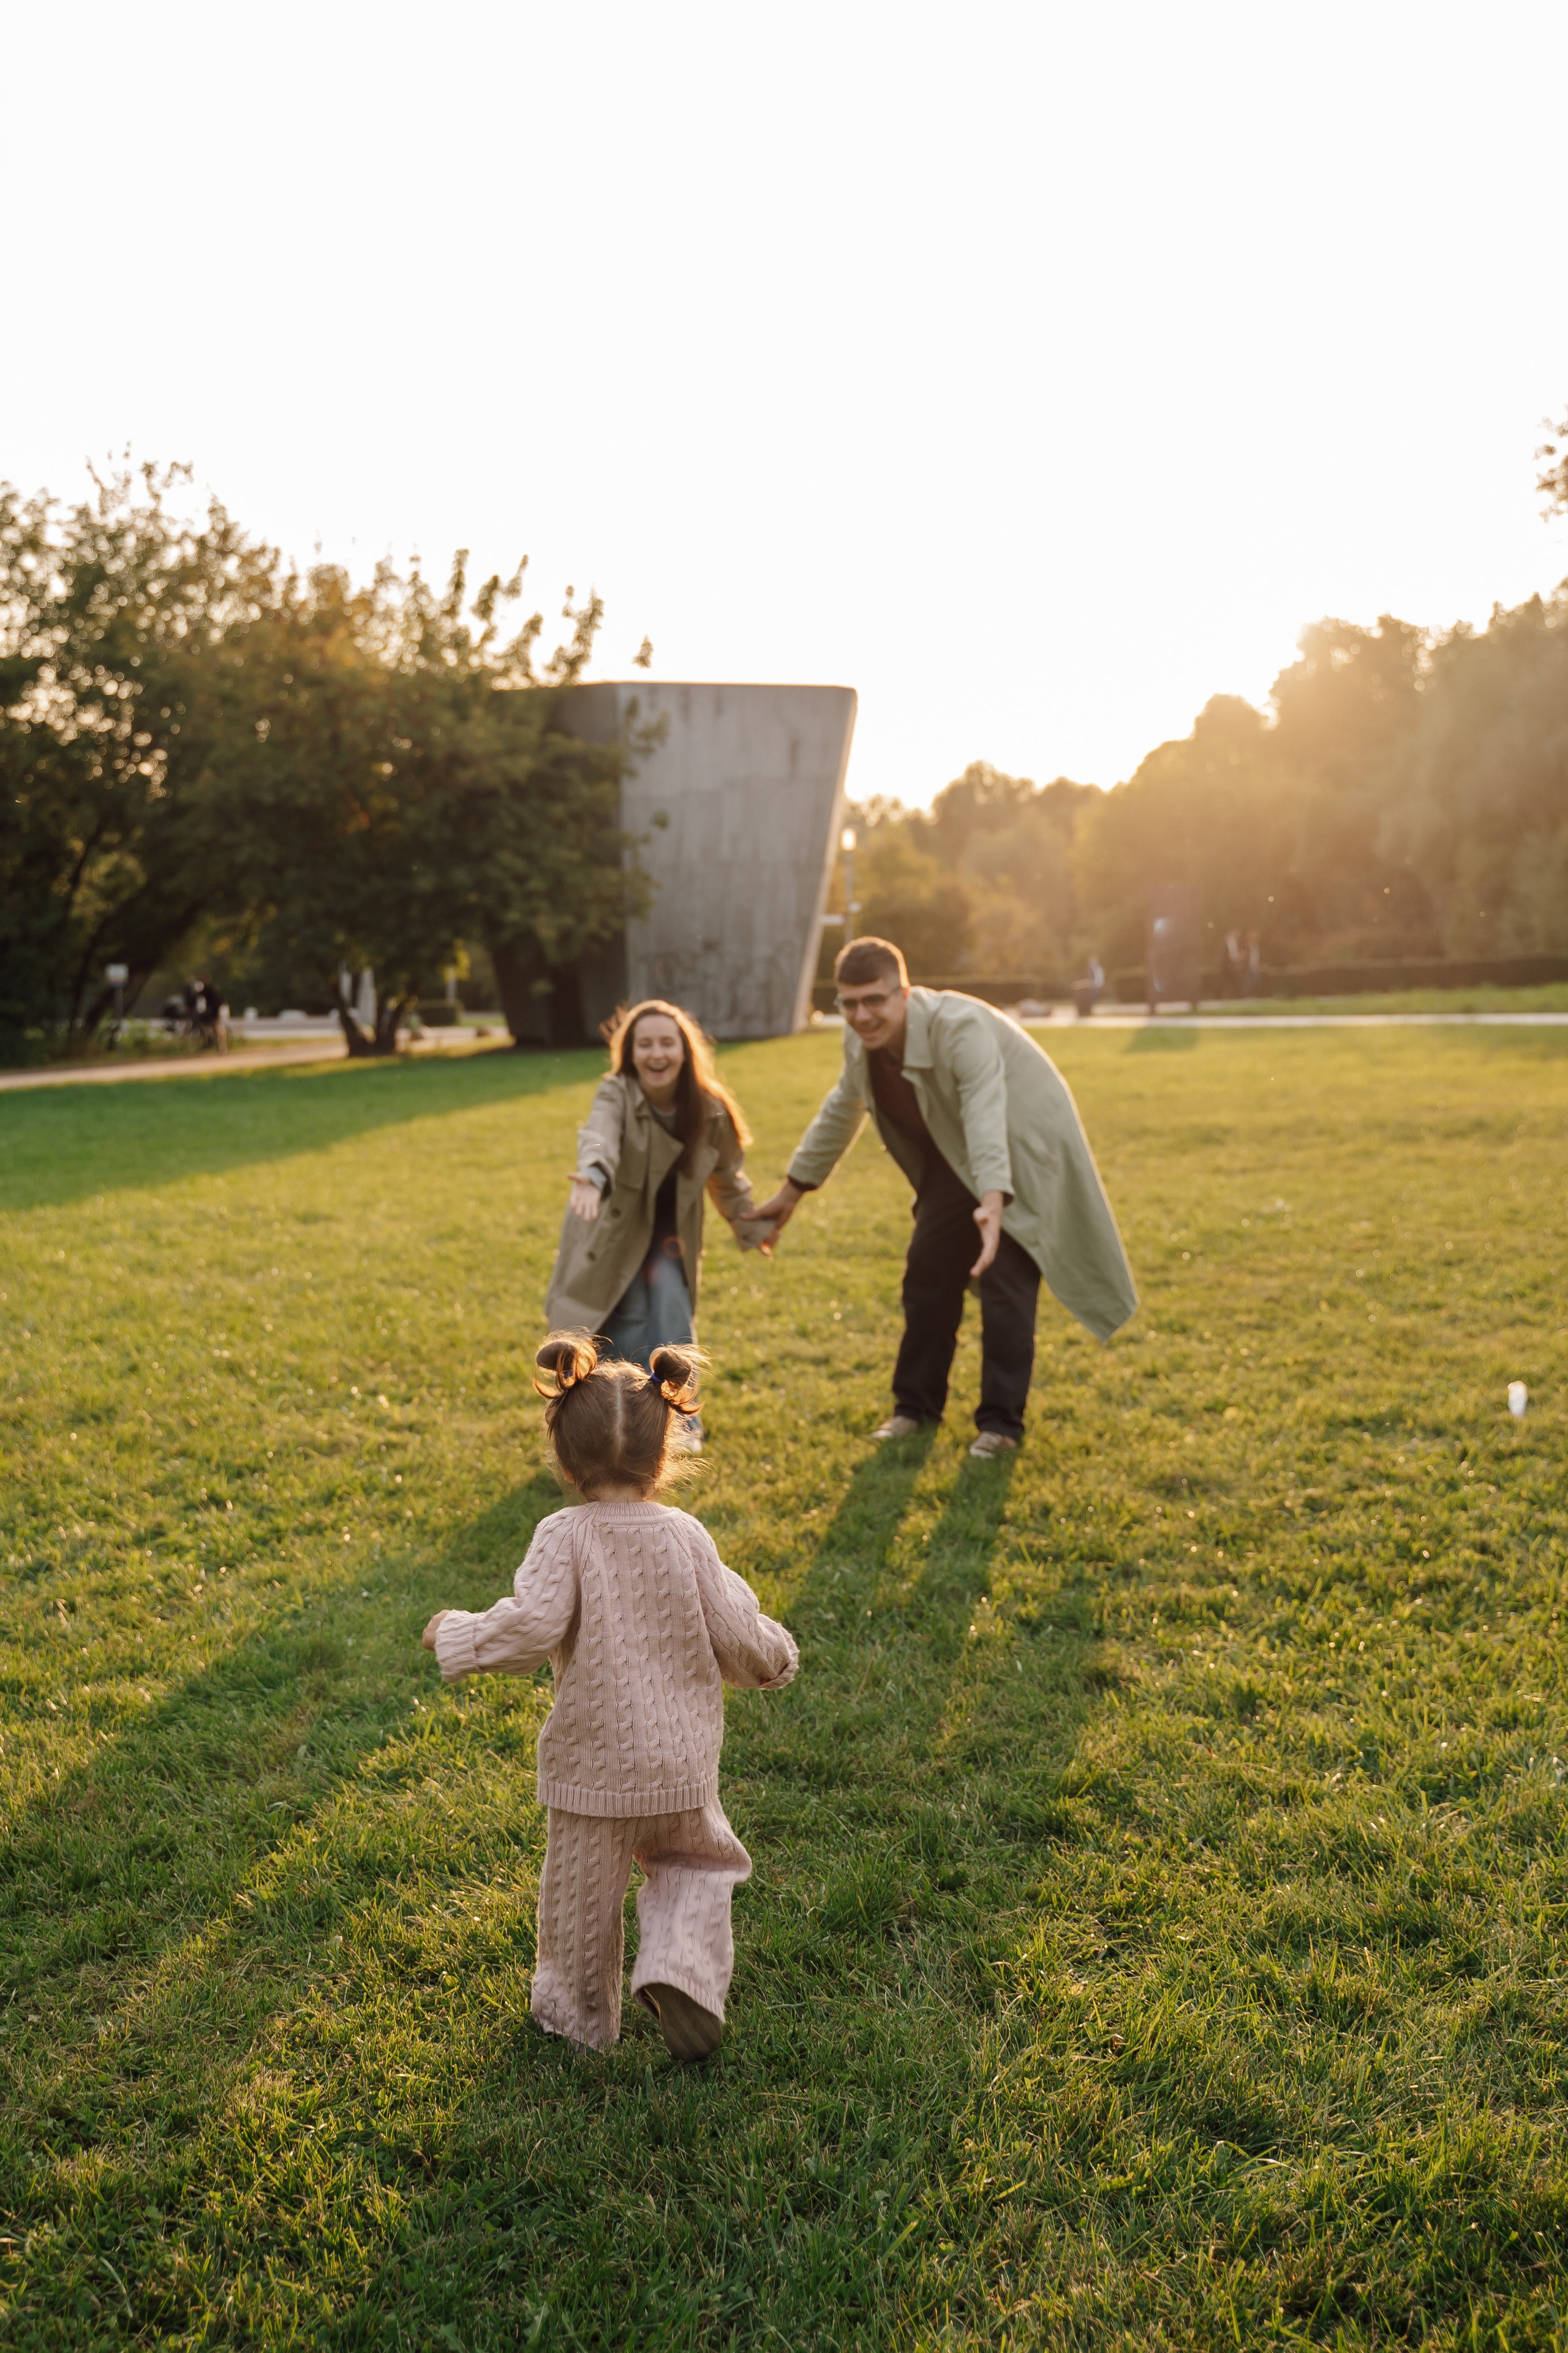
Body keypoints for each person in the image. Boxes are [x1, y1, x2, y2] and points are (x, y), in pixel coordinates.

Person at [421, 1334, 798, 2060]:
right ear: (665, 1456)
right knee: (698, 1865)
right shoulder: (687, 1536)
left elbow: (531, 1628)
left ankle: (576, 2014)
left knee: (578, 1903)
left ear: (565, 1460)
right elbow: (734, 1630)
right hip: (681, 1768)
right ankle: (678, 1970)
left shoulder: (562, 1534)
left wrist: (458, 1635)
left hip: (593, 1769)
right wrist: (775, 1656)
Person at [753, 936, 1136, 1457]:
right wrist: (793, 1190)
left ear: (904, 993)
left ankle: (1001, 1425)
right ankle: (914, 1409)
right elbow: (844, 1106)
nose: (863, 1015)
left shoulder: (960, 1027)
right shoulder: (861, 1043)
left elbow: (984, 1112)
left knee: (1005, 1284)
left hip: (1019, 1148)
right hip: (953, 1159)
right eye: (850, 1003)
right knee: (927, 1276)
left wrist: (993, 1200)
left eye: (875, 1000)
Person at [546, 1000, 772, 1452]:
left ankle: (679, 1427)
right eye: (644, 1044)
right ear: (630, 1053)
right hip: (612, 1235)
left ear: (685, 1051)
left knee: (672, 1320)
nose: (657, 1053)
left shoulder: (709, 1110)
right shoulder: (617, 1093)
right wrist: (592, 1174)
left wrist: (754, 1228)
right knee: (616, 1328)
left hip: (669, 1242)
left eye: (667, 1043)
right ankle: (602, 1430)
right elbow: (599, 1135)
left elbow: (728, 1178)